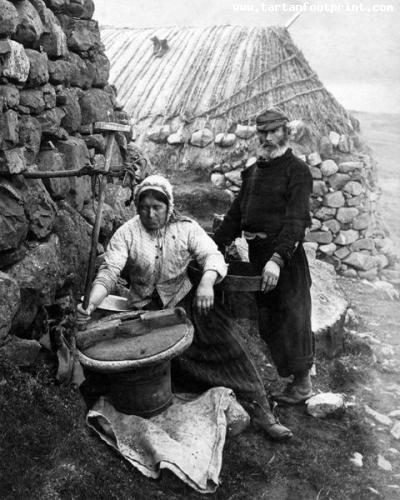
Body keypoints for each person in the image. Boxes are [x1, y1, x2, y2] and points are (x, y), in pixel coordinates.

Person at [77, 174, 293, 440]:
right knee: (156, 357)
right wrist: (92, 302)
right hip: (148, 309)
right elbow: (109, 272)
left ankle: (263, 412)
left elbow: (212, 255)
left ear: (169, 207)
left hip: (185, 300)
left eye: (157, 208)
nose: (150, 214)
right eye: (144, 208)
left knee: (228, 344)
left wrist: (205, 283)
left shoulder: (186, 228)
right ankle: (187, 391)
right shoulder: (127, 234)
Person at [213, 108, 315, 405]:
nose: (268, 138)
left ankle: (303, 384)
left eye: (273, 131)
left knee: (293, 318)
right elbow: (234, 217)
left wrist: (278, 259)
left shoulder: (297, 172)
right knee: (269, 320)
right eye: (263, 133)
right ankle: (284, 378)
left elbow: (296, 222)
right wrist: (213, 247)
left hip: (286, 258)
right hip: (257, 254)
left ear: (286, 132)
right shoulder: (254, 171)